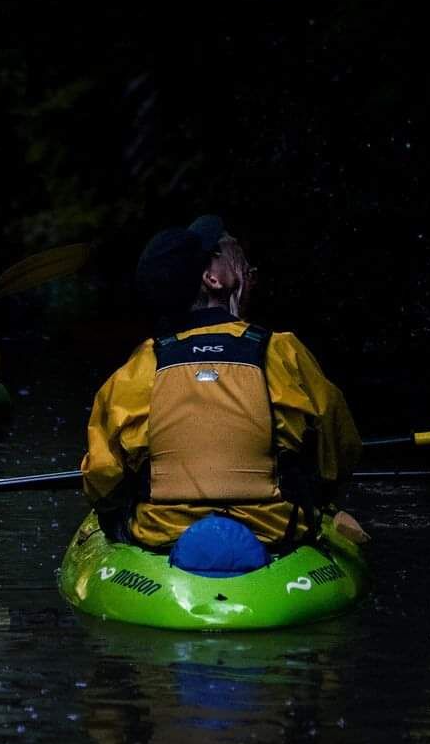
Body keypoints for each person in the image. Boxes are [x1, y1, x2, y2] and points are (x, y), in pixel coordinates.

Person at [80, 216, 366, 575]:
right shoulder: (284, 353)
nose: (249, 270)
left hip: (161, 535)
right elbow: (341, 452)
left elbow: (103, 479)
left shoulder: (138, 369)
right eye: (235, 257)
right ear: (211, 278)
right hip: (276, 533)